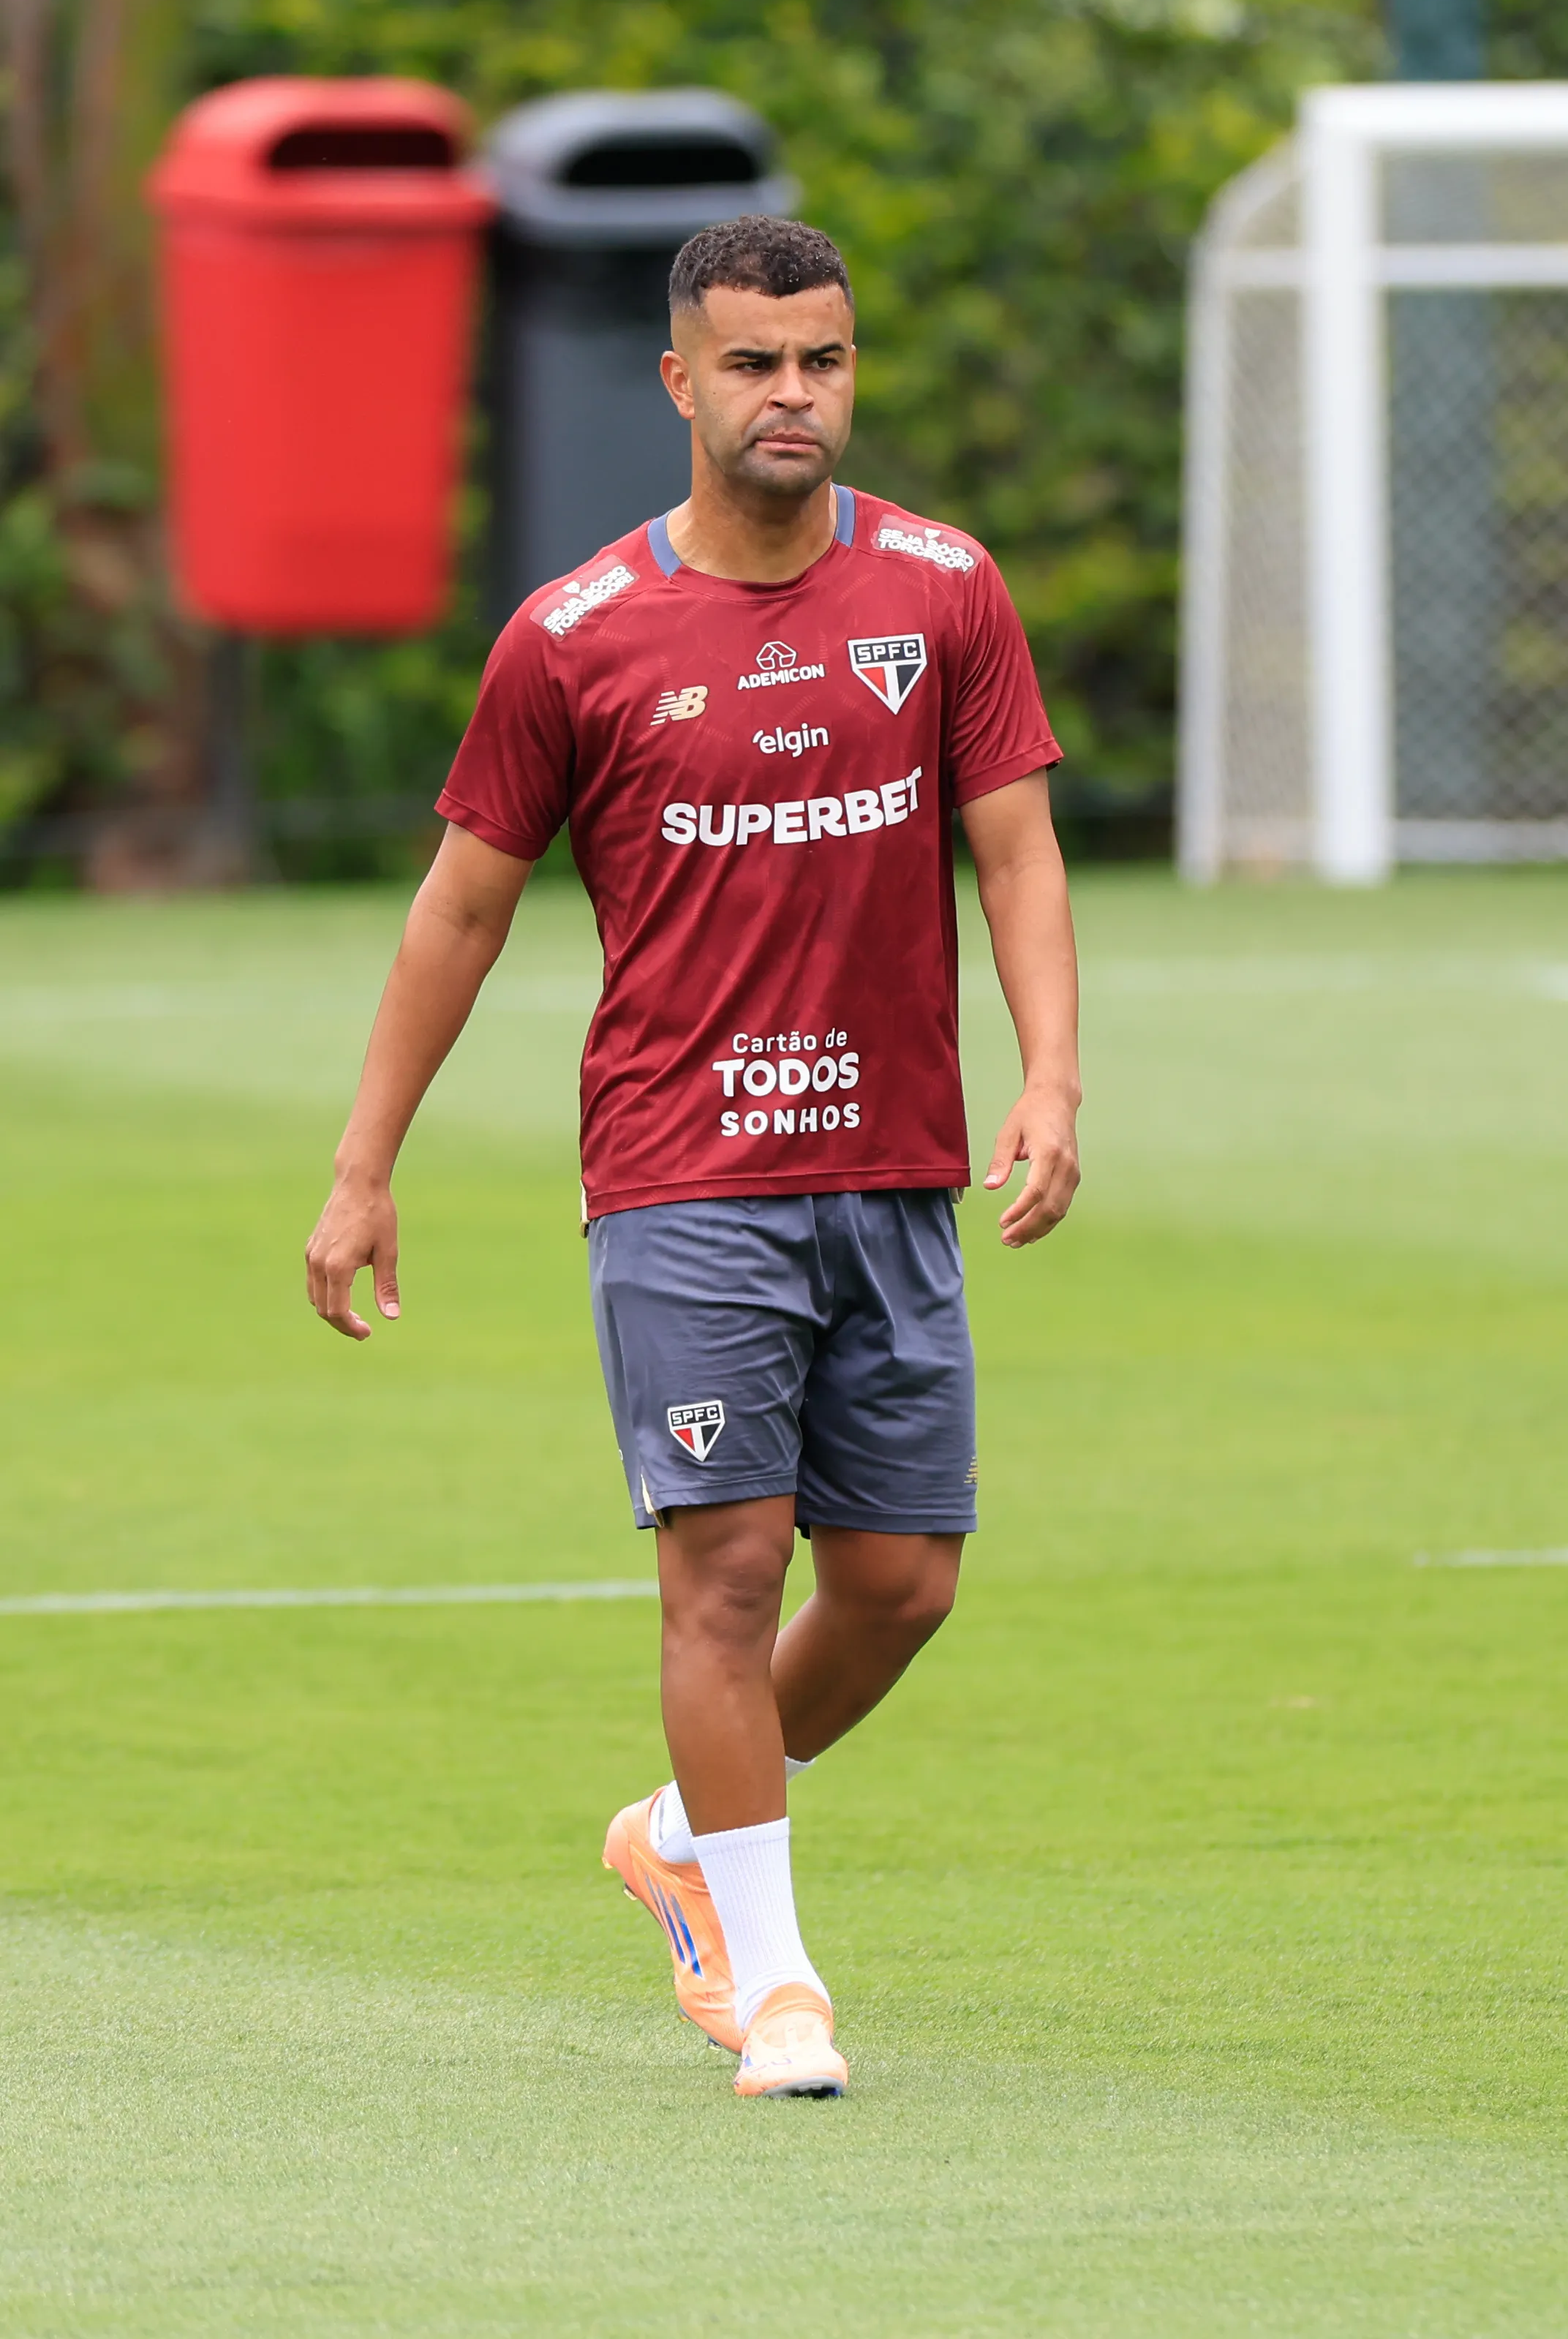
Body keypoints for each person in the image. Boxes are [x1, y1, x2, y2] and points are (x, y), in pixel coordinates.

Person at [305, 214, 1081, 2100]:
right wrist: (364, 1165)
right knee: (726, 1575)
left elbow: (1018, 853)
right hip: (684, 1176)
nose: (790, 395)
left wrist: (1050, 1075)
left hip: (893, 1167)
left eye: (819, 360)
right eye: (752, 363)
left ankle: (679, 1836)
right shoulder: (575, 638)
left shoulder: (945, 592)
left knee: (902, 1584)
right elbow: (460, 912)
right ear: (681, 381)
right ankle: (777, 1976)